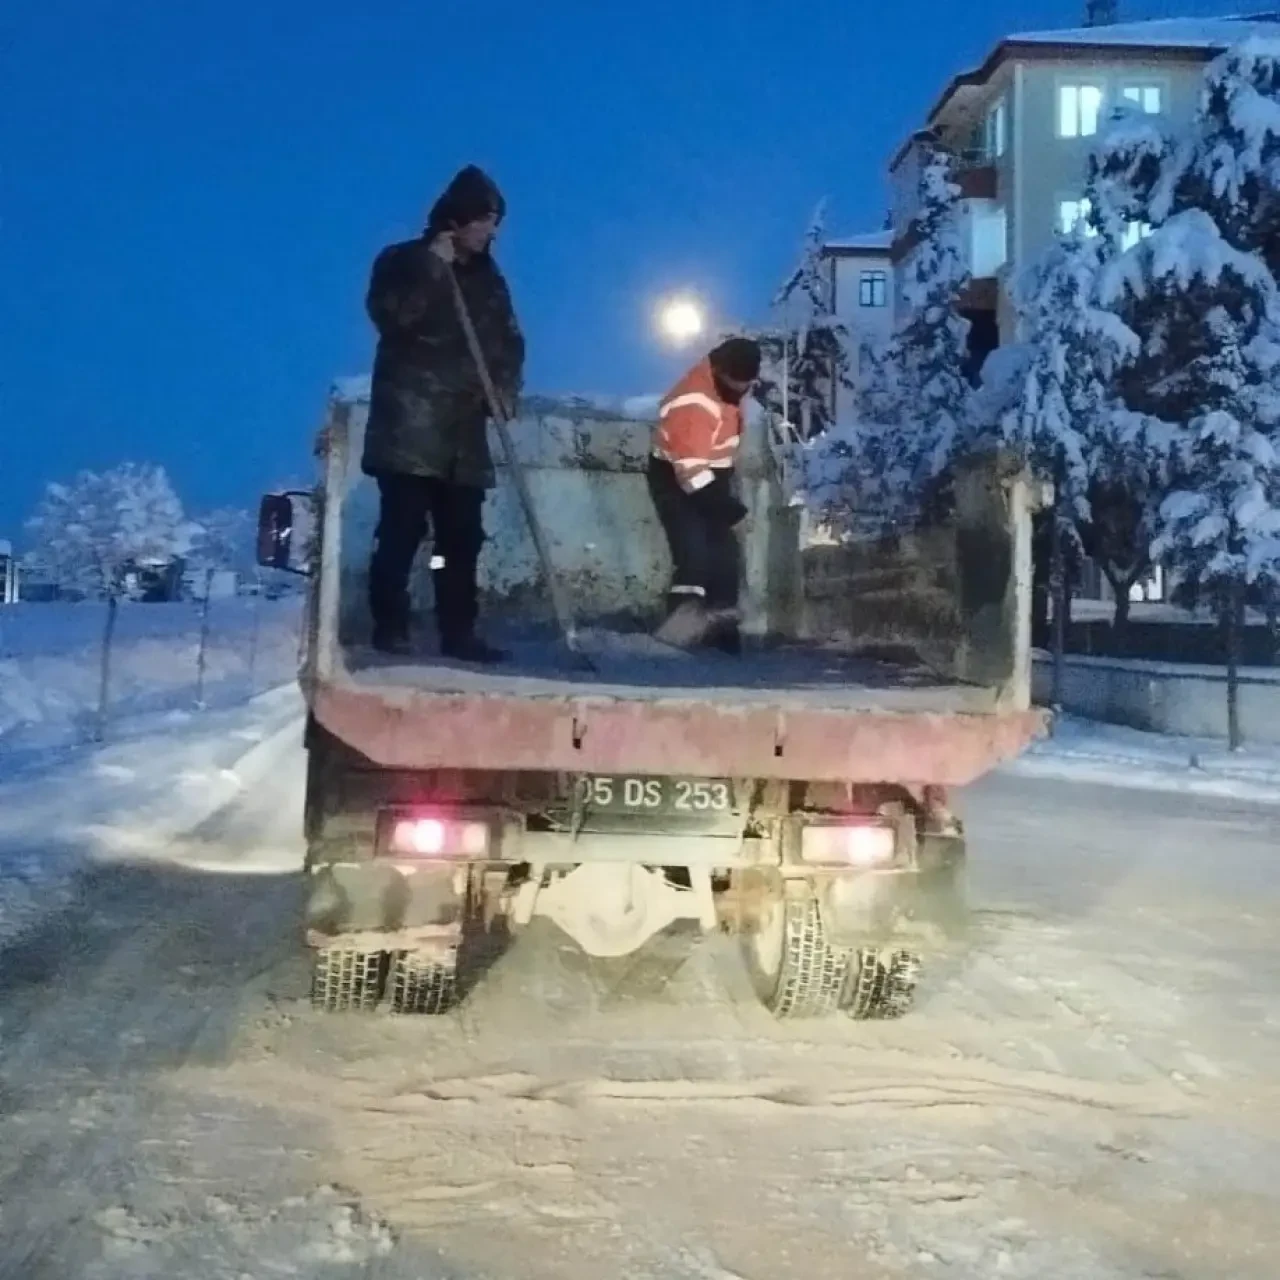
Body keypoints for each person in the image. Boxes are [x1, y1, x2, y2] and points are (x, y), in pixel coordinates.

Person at [361, 165, 525, 662]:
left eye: (496, 222)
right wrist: (433, 267)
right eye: (487, 220)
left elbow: (509, 341)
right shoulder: (403, 260)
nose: (492, 232)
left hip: (463, 434)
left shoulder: (488, 279)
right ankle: (390, 626)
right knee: (401, 533)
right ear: (459, 219)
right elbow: (392, 317)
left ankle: (459, 632)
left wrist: (504, 389)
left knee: (462, 540)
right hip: (408, 429)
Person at [648, 336, 762, 653]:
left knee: (725, 555)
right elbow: (689, 471)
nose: (741, 390)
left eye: (746, 384)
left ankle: (722, 633)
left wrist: (724, 496)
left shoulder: (729, 385)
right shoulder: (693, 403)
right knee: (693, 552)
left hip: (712, 473)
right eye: (736, 382)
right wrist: (727, 510)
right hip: (675, 475)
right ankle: (678, 635)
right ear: (719, 370)